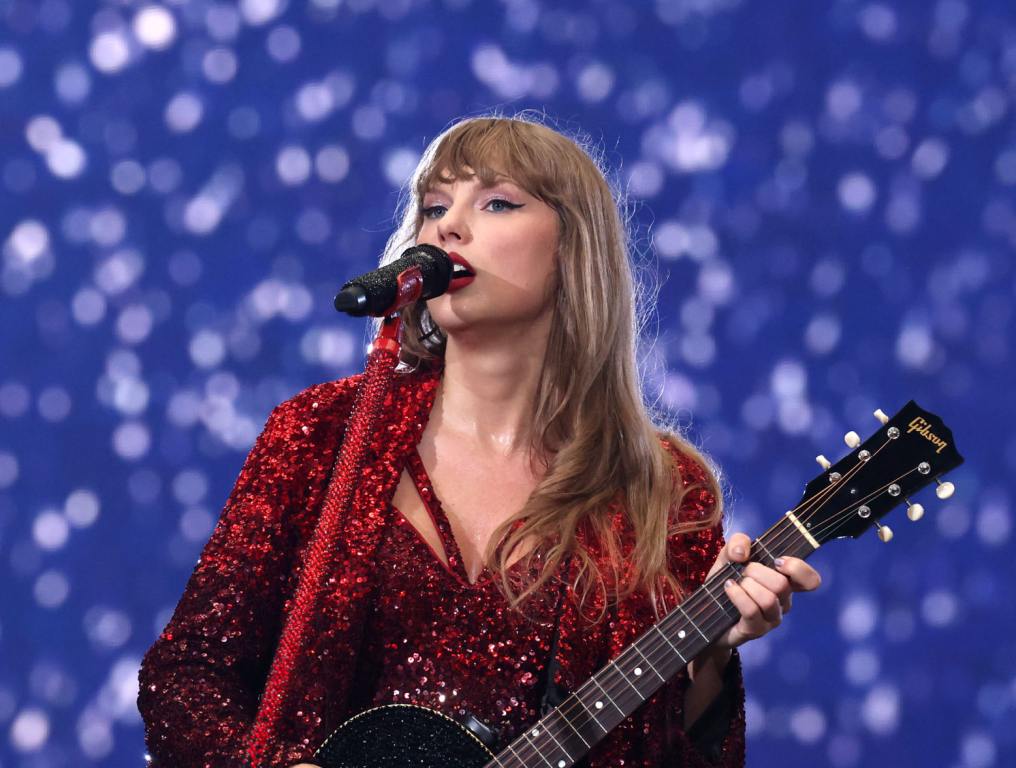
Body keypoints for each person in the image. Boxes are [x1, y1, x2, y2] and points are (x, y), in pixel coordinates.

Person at [138, 114, 821, 768]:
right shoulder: (320, 436)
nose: (449, 227)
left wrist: (710, 663)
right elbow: (185, 676)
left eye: (496, 203)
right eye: (435, 208)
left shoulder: (660, 487)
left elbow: (659, 751)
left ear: (572, 251)